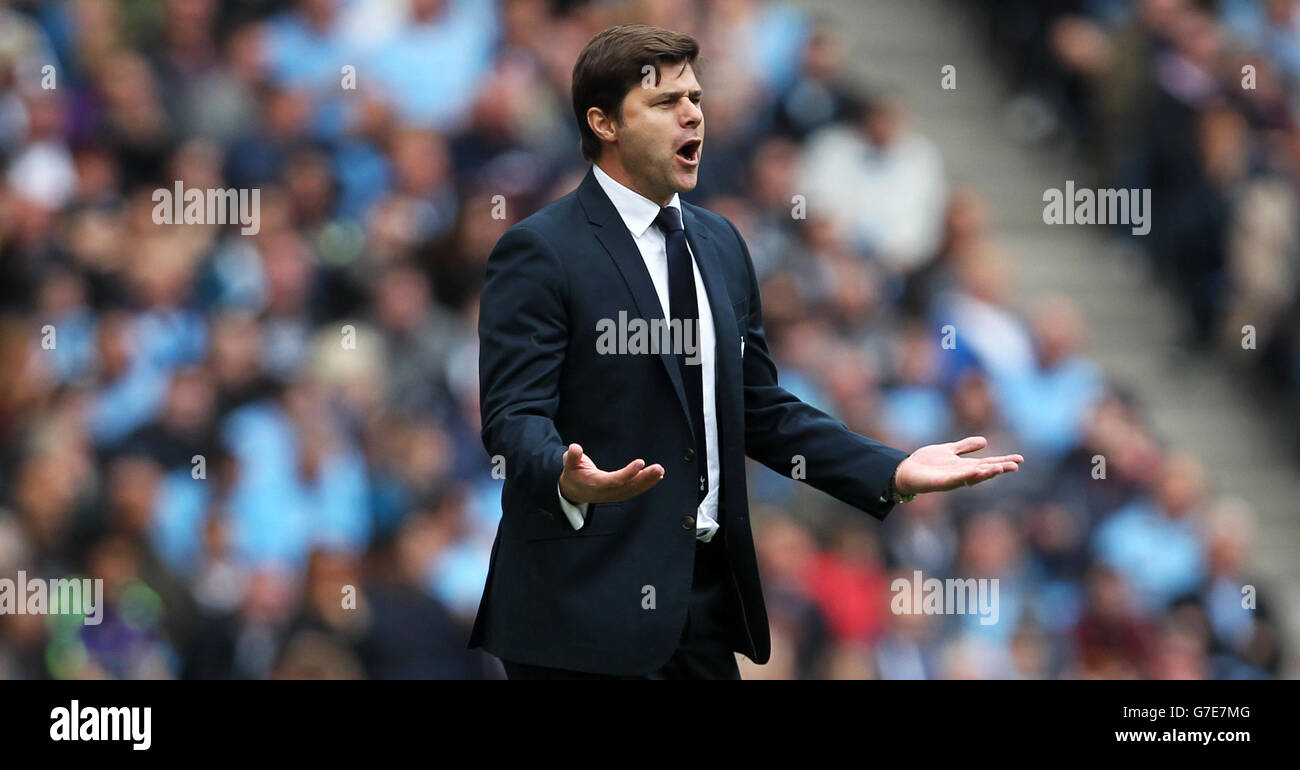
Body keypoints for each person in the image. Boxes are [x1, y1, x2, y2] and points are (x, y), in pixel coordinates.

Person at [469, 24, 1024, 679]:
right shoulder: (541, 250)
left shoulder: (721, 243)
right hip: (580, 602)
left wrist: (891, 470)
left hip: (699, 601)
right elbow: (513, 417)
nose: (692, 114)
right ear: (604, 122)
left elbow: (759, 408)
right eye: (665, 101)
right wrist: (563, 475)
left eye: (696, 99)